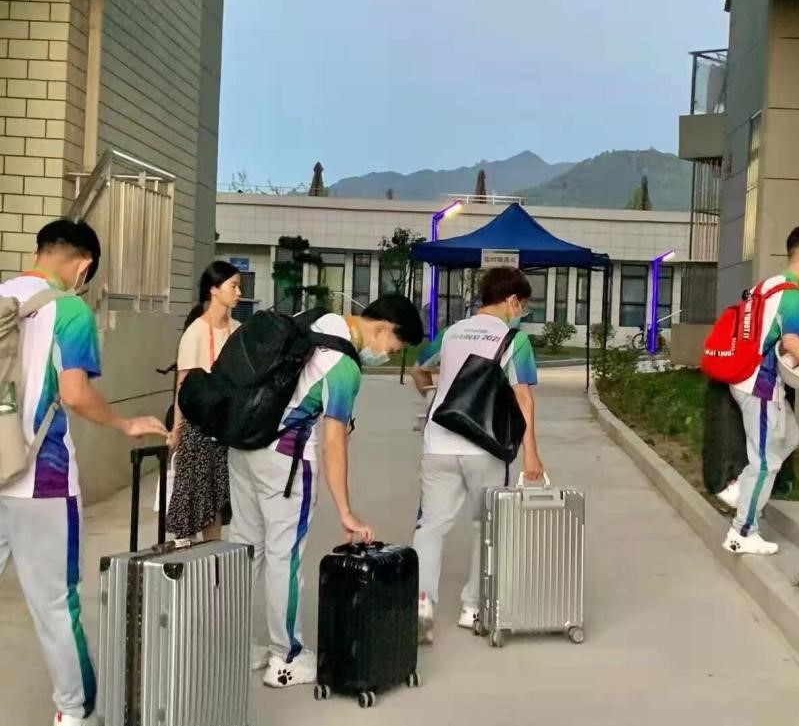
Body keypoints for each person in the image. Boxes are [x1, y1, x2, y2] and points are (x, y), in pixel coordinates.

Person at [0, 219, 167, 726]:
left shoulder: (3, 296)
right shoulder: (70, 310)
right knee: (55, 604)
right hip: (41, 481)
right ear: (84, 266)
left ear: (39, 250)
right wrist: (123, 422)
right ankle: (75, 713)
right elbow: (73, 392)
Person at [229, 294, 423, 687]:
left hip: (244, 445)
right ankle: (286, 657)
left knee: (245, 550)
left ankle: (233, 646)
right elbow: (334, 442)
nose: (386, 355)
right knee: (284, 557)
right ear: (384, 328)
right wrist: (345, 510)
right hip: (286, 460)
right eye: (393, 348)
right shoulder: (344, 365)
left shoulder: (314, 320)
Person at [410, 267, 544, 645]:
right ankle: (473, 607)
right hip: (485, 446)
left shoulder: (451, 332)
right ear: (512, 300)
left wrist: (432, 396)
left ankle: (421, 608)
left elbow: (419, 370)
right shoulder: (514, 339)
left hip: (439, 443)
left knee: (431, 526)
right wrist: (531, 455)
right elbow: (523, 398)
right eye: (523, 305)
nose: (522, 312)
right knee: (486, 526)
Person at [722, 226, 799, 556]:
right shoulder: (792, 296)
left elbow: (766, 336)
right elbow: (792, 342)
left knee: (789, 436)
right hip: (759, 386)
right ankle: (742, 533)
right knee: (765, 461)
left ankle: (740, 490)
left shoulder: (766, 287)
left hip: (744, 379)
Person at [166, 262, 242, 541]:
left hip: (226, 429)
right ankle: (184, 562)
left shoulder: (238, 330)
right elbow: (182, 386)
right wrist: (177, 429)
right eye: (233, 286)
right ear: (214, 290)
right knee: (190, 506)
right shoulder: (195, 332)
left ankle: (212, 563)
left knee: (216, 507)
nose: (239, 292)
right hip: (197, 430)